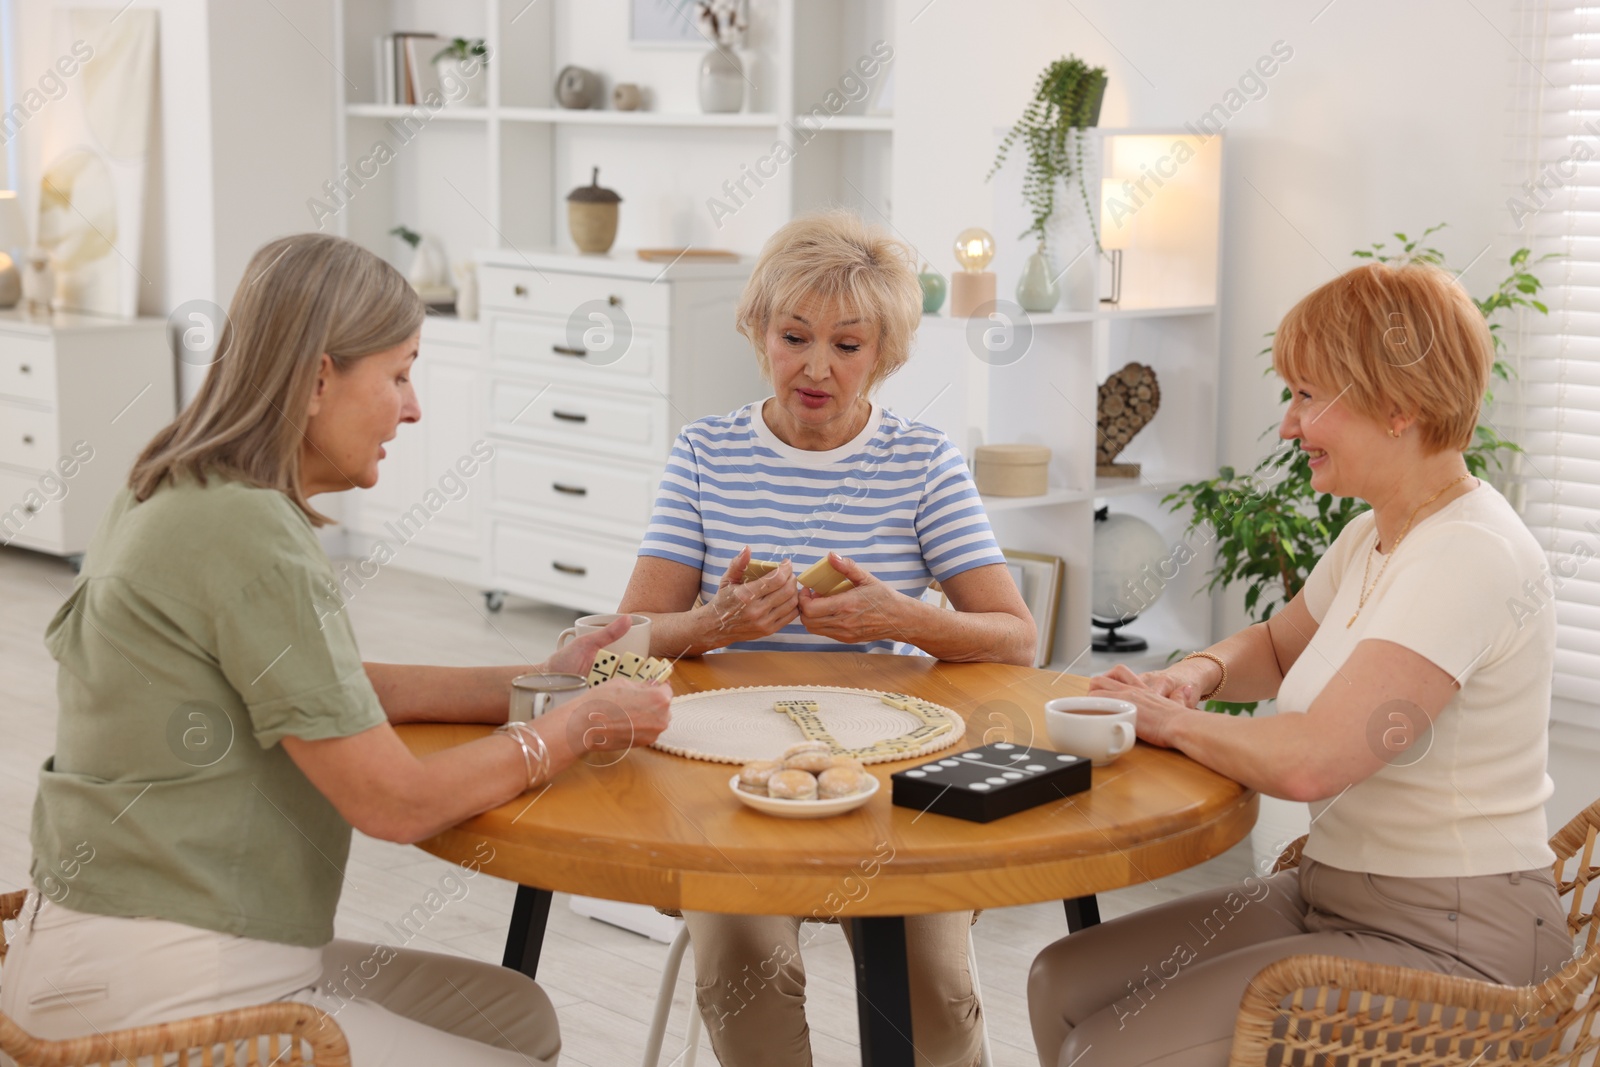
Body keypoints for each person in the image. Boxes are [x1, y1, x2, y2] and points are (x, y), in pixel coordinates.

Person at [1, 234, 672, 1066]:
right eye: (398, 374)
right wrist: (575, 729)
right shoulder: (244, 529)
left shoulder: (174, 484)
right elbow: (396, 803)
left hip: (94, 947)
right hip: (165, 977)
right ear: (320, 378)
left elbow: (330, 687)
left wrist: (545, 679)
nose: (415, 406)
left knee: (514, 1015)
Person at [1026, 260, 1574, 1067]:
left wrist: (1171, 720)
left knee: (1108, 1050)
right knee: (1058, 979)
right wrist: (1198, 675)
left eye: (1310, 396)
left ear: (1399, 406)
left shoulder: (1470, 553)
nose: (1289, 424)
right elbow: (1281, 647)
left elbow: (1317, 761)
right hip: (1333, 892)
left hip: (1459, 941)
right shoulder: (1375, 532)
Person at [617, 211, 1036, 1067]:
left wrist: (902, 618)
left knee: (935, 987)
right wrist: (713, 624)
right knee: (742, 963)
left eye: (847, 345)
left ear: (882, 354)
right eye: (794, 335)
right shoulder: (705, 453)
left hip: (889, 777)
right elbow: (623, 648)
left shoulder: (923, 462)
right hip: (726, 776)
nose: (816, 367)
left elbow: (1016, 639)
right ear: (758, 331)